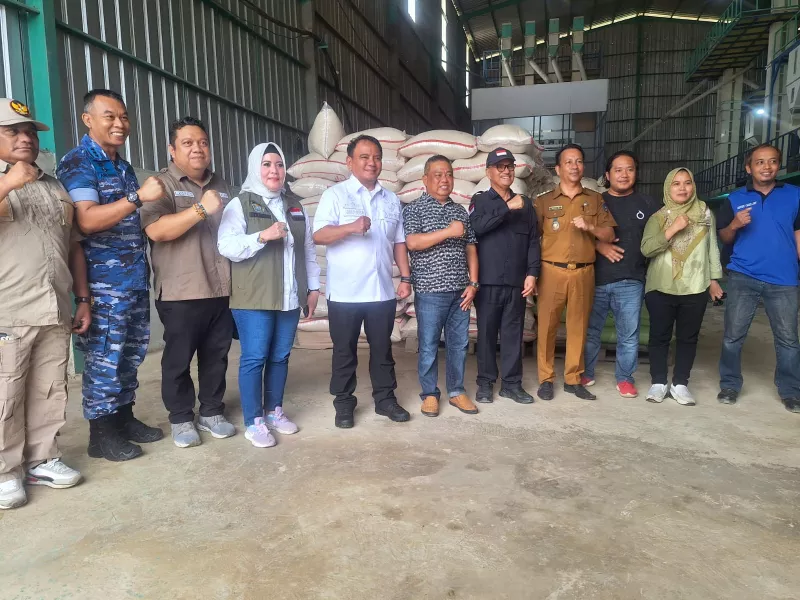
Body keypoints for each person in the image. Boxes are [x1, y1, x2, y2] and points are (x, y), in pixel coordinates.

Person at [57, 89, 165, 462]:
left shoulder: (122, 166)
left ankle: (122, 418)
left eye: (124, 117)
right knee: (105, 359)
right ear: (88, 120)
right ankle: (101, 434)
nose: (120, 124)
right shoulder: (78, 162)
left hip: (132, 279)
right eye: (110, 116)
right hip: (102, 285)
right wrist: (138, 198)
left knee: (130, 354)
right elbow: (86, 220)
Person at [0, 99, 90, 509]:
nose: (25, 139)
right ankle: (6, 471)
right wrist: (8, 183)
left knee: (50, 387)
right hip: (10, 309)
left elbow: (73, 245)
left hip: (54, 306)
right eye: (13, 132)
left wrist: (82, 298)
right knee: (7, 391)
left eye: (30, 132)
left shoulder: (54, 186)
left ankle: (42, 459)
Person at [141, 117, 236, 447]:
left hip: (220, 287)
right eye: (188, 143)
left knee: (217, 355)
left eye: (203, 142)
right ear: (172, 149)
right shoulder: (161, 184)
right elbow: (156, 230)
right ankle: (181, 417)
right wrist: (200, 209)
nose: (198, 149)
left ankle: (211, 411)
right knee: (178, 359)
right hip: (181, 290)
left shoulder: (220, 183)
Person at [218, 142, 320, 447]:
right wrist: (262, 236)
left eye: (279, 164)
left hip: (289, 295)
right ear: (255, 168)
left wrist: (313, 288)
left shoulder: (295, 206)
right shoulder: (240, 204)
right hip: (254, 296)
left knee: (280, 356)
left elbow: (308, 249)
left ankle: (274, 411)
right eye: (266, 164)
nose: (274, 170)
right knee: (255, 357)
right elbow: (226, 246)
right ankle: (254, 421)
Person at [312, 135, 412, 428]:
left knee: (383, 350)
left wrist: (405, 277)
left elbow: (399, 242)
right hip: (345, 293)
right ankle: (344, 403)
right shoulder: (335, 195)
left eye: (377, 157)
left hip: (381, 292)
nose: (372, 163)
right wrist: (350, 227)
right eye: (364, 157)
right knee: (344, 351)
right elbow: (319, 235)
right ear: (350, 162)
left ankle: (385, 400)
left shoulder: (391, 199)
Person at [716, 144, 800, 412]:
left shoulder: (795, 195)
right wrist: (734, 224)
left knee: (788, 339)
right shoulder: (734, 199)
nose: (767, 166)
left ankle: (790, 390)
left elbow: (798, 234)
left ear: (779, 165)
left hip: (784, 278)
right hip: (744, 275)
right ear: (749, 168)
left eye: (772, 161)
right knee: (733, 336)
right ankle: (729, 384)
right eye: (760, 162)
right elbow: (724, 236)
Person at [534, 144, 616, 402]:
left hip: (583, 272)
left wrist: (591, 226)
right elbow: (531, 239)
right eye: (568, 162)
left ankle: (573, 379)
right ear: (558, 169)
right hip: (551, 271)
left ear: (583, 167)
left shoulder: (595, 199)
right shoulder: (544, 201)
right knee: (547, 327)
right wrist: (531, 274)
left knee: (578, 328)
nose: (574, 166)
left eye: (578, 161)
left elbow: (609, 234)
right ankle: (546, 379)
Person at [403, 156, 479, 417]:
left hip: (461, 292)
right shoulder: (414, 209)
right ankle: (429, 394)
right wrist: (448, 232)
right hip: (430, 291)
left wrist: (473, 283)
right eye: (438, 174)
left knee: (459, 345)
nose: (444, 179)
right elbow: (413, 243)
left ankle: (456, 391)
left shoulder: (460, 211)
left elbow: (471, 248)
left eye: (448, 174)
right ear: (425, 179)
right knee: (428, 345)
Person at [640, 168, 724, 405]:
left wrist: (714, 280)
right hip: (661, 285)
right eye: (676, 183)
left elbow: (712, 248)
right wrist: (673, 228)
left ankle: (680, 384)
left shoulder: (705, 214)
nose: (682, 188)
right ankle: (658, 382)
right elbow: (647, 249)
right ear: (668, 188)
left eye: (687, 183)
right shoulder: (658, 217)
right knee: (659, 336)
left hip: (695, 285)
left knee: (688, 338)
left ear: (693, 186)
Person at [582, 151, 660, 398]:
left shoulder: (648, 204)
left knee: (628, 336)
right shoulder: (596, 202)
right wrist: (599, 245)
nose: (624, 175)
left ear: (636, 173)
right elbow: (577, 234)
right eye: (618, 170)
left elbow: (657, 239)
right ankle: (586, 372)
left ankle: (625, 378)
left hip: (631, 279)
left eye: (629, 169)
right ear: (607, 175)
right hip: (595, 278)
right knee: (591, 332)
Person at [469, 148, 540, 404]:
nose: (506, 171)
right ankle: (485, 383)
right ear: (488, 172)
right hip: (488, 282)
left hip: (515, 282)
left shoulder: (526, 204)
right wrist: (507, 208)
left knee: (513, 335)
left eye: (510, 166)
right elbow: (477, 228)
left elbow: (533, 240)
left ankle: (512, 384)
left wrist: (532, 273)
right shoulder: (480, 201)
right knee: (486, 335)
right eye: (500, 167)